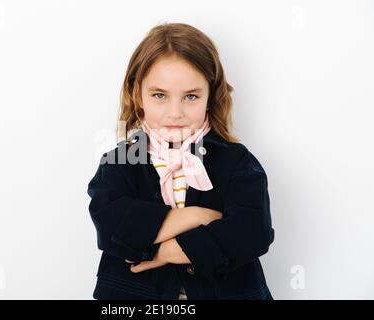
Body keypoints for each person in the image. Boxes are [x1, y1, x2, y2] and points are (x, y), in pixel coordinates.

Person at [87, 22, 275, 300]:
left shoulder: (236, 161)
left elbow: (251, 231)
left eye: (190, 96)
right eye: (159, 95)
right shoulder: (119, 161)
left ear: (210, 95)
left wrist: (165, 251)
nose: (175, 113)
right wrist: (196, 217)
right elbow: (112, 224)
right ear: (138, 92)